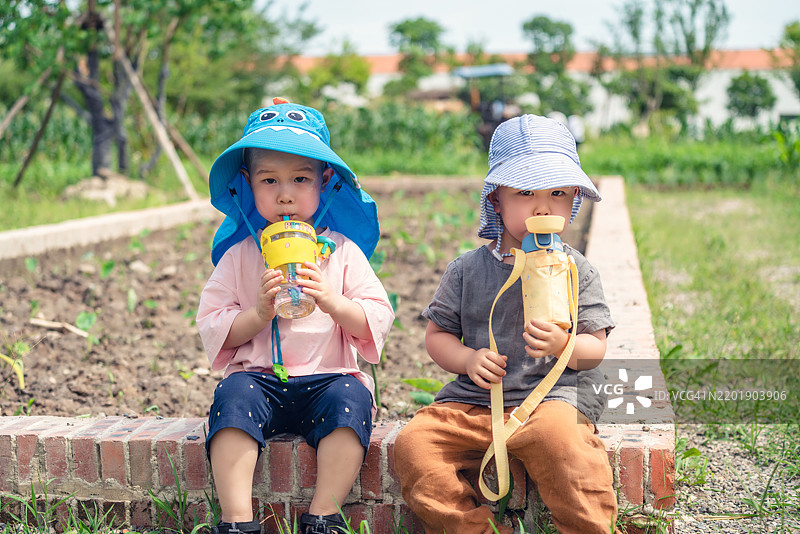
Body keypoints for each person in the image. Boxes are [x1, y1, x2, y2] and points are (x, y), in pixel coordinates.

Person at [394, 114, 618, 534]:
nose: (543, 206)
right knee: (415, 446)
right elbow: (437, 334)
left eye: (557, 193)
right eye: (525, 192)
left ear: (573, 199)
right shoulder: (466, 270)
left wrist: (564, 344)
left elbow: (595, 348)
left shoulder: (576, 269)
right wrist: (466, 358)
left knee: (566, 449)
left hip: (553, 398)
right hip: (476, 400)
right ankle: (469, 527)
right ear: (496, 199)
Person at [197, 98, 394, 534]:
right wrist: (259, 312)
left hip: (328, 376)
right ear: (247, 183)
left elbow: (377, 315)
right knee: (232, 403)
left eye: (300, 179)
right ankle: (237, 520)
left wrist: (332, 301)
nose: (285, 193)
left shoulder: (342, 251)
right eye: (269, 180)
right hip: (260, 377)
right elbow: (213, 323)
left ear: (325, 181)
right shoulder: (241, 255)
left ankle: (324, 515)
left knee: (352, 405)